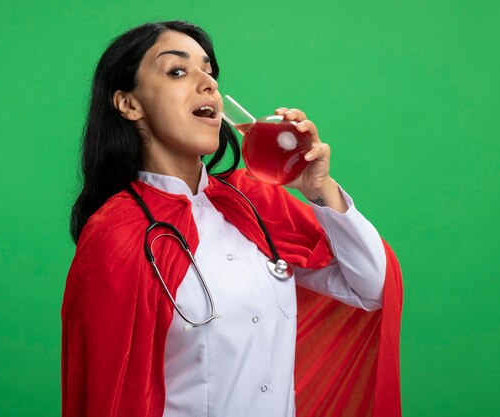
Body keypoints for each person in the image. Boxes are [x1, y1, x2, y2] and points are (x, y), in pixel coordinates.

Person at [61, 21, 403, 417]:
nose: (207, 83)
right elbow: (107, 393)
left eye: (209, 71)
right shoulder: (114, 234)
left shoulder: (254, 201)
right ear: (129, 104)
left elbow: (373, 289)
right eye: (177, 71)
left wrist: (320, 190)